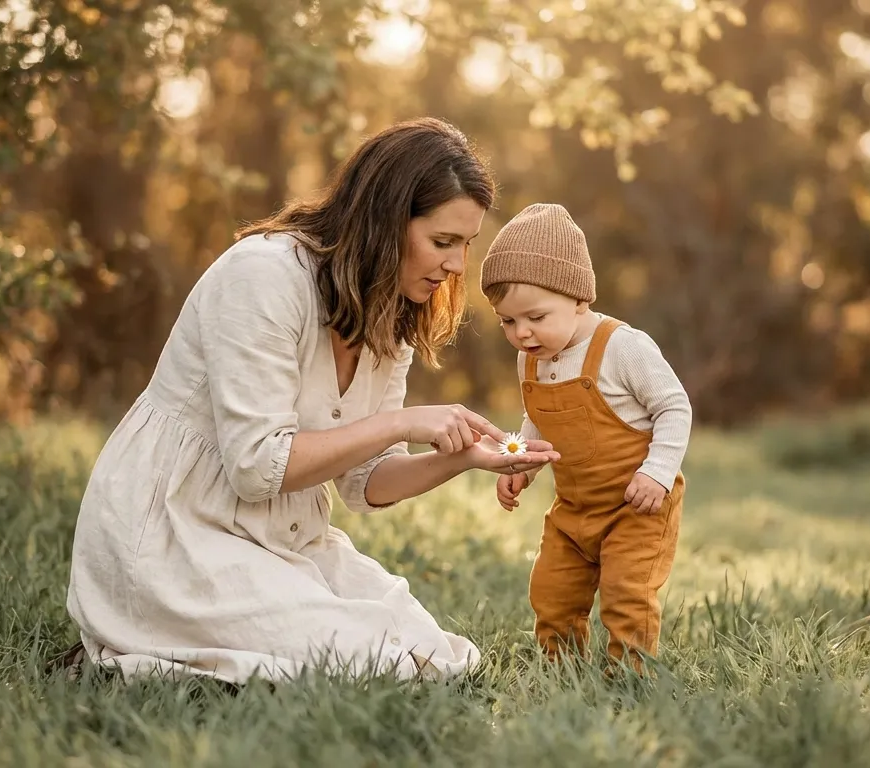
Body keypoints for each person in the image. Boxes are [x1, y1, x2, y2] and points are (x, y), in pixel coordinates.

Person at [60, 118, 560, 685]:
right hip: (175, 533)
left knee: (439, 659)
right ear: (383, 222)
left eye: (465, 245)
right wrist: (402, 421)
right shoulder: (264, 276)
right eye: (442, 242)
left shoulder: (389, 314)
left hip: (283, 535)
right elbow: (256, 467)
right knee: (374, 666)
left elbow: (364, 483)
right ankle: (130, 650)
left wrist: (463, 458)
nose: (455, 266)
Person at [479, 202, 692, 672]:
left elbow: (674, 407)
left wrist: (657, 473)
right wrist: (520, 461)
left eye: (534, 316)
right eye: (507, 321)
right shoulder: (532, 356)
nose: (522, 332)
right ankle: (563, 671)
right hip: (575, 509)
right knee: (551, 590)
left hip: (637, 507)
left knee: (626, 593)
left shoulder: (622, 347)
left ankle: (629, 677)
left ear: (579, 299)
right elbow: (540, 416)